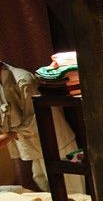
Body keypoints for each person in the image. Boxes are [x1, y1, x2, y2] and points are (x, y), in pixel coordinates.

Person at [0, 62, 85, 193]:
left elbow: (36, 119)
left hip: (59, 146)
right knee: (51, 196)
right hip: (35, 149)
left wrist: (9, 135)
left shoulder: (23, 80)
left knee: (75, 197)